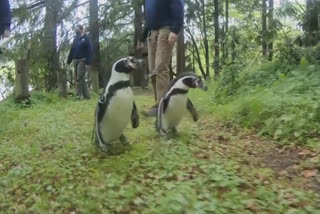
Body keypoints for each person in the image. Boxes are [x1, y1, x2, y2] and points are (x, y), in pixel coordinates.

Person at [138, 0, 184, 117]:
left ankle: (164, 107)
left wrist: (175, 30)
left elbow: (178, 6)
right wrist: (142, 37)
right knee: (153, 70)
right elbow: (149, 17)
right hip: (152, 33)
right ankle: (159, 104)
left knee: (160, 68)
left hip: (166, 30)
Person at [67, 25, 92, 100]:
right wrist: (69, 61)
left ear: (81, 29)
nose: (76, 31)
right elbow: (72, 50)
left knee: (79, 78)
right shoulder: (76, 39)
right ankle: (87, 96)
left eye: (77, 29)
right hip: (75, 60)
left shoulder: (86, 38)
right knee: (81, 78)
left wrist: (88, 62)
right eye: (75, 30)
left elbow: (89, 50)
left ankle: (78, 95)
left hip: (82, 60)